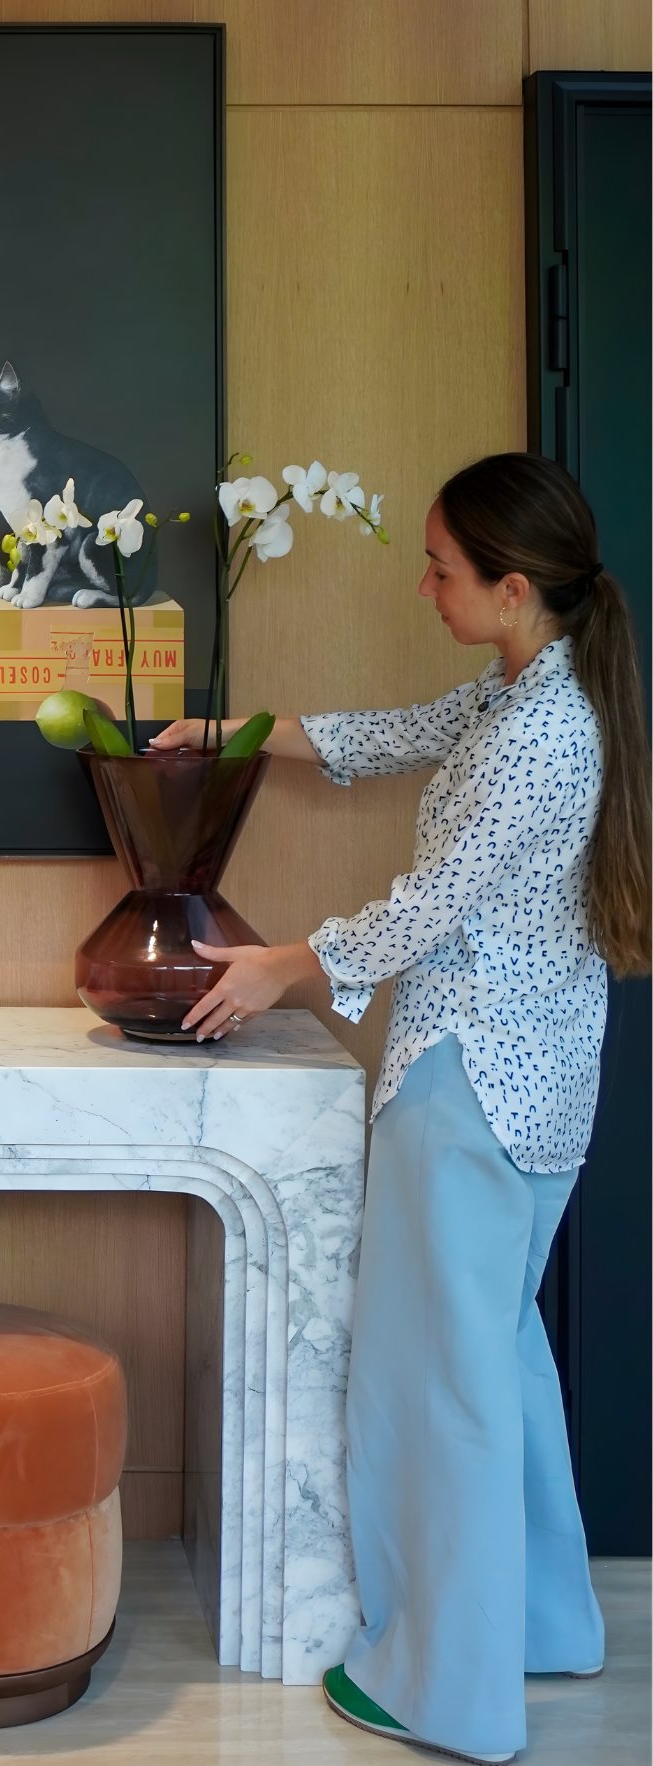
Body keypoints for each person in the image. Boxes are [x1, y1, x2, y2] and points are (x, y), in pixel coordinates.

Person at [150, 451, 651, 1764]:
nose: (424, 585)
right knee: (503, 1362)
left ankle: (453, 1692)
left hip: (469, 1084)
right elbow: (390, 737)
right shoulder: (526, 691)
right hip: (534, 1086)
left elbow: (439, 905)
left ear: (515, 584)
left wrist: (284, 965)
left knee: (447, 1390)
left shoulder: (545, 734)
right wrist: (234, 735)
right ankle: (547, 1622)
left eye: (441, 568)